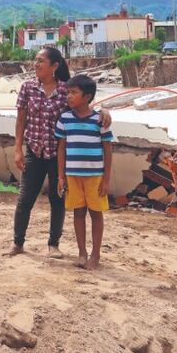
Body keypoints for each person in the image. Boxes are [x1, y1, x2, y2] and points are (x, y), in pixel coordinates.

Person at [8, 47, 110, 258]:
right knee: (25, 199)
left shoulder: (66, 90)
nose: (36, 64)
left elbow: (84, 105)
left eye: (41, 61)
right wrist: (18, 149)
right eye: (35, 60)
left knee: (57, 200)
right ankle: (18, 243)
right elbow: (21, 120)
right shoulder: (27, 88)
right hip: (34, 151)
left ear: (54, 66)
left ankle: (53, 244)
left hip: (58, 155)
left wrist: (105, 111)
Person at [55, 74, 113, 270]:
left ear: (87, 96)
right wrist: (61, 176)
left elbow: (108, 149)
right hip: (73, 176)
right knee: (78, 213)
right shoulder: (64, 119)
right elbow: (61, 148)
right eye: (67, 93)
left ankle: (95, 254)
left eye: (74, 93)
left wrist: (106, 179)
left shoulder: (99, 120)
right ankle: (82, 253)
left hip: (95, 177)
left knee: (96, 214)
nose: (69, 97)